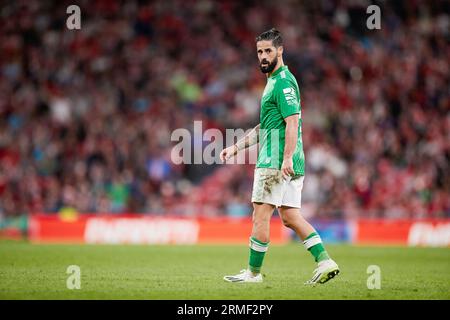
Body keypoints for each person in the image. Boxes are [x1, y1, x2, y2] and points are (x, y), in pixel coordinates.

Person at [219, 28, 339, 285]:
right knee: (290, 217)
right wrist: (236, 147)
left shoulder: (282, 82)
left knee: (260, 216)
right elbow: (266, 127)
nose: (263, 56)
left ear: (280, 50)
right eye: (260, 52)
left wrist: (285, 158)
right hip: (290, 161)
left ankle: (253, 273)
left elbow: (292, 122)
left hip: (276, 161)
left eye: (268, 51)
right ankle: (325, 261)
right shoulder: (275, 81)